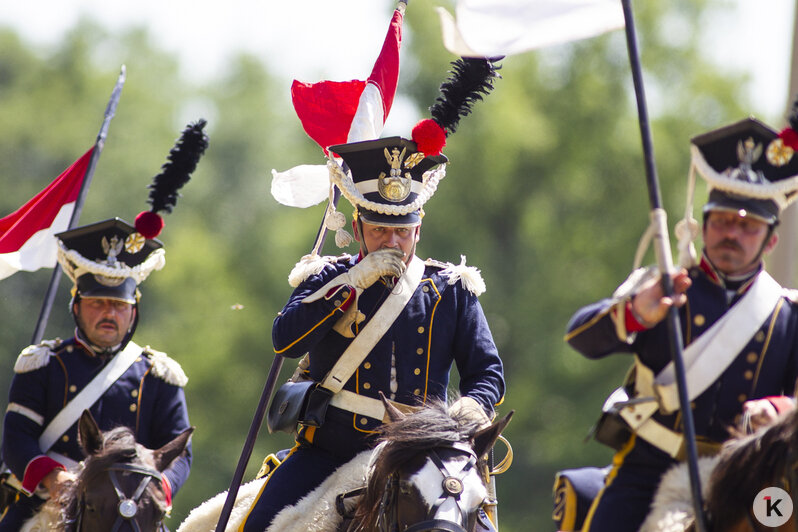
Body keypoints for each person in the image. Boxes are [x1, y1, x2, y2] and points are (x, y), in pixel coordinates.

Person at [240, 135, 506, 531]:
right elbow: (286, 341)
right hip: (330, 451)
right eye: (380, 229)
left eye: (403, 231)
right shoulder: (328, 277)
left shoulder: (450, 289)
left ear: (419, 229)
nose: (392, 242)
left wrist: (469, 408)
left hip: (425, 456)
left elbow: (487, 374)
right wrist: (350, 284)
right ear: (358, 226)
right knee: (259, 525)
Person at [562, 116, 798, 532]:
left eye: (748, 226)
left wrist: (779, 410)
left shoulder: (788, 315)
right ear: (703, 226)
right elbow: (580, 337)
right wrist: (637, 312)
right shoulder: (662, 288)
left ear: (770, 239)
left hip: (748, 477)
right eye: (723, 220)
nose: (732, 233)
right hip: (649, 469)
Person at [0, 218, 192, 530]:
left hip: (131, 505)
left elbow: (179, 453)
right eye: (97, 303)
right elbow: (17, 438)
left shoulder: (158, 375)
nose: (108, 313)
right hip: (47, 498)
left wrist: (153, 489)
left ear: (133, 311)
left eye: (119, 305)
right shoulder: (43, 365)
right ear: (76, 306)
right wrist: (52, 477)